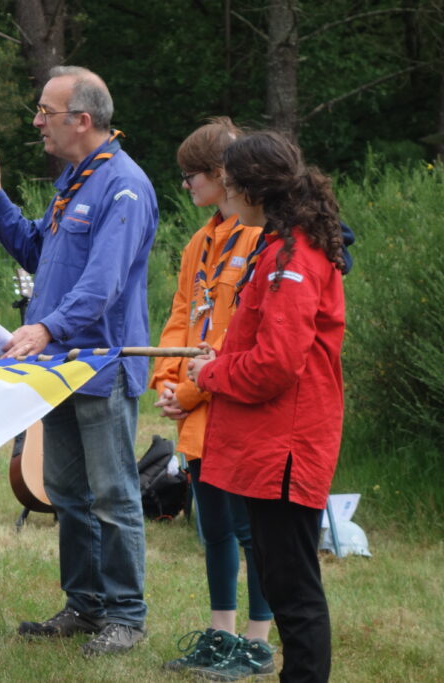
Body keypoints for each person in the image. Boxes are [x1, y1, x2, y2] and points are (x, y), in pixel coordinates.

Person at [0, 65, 157, 656]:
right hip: (58, 368)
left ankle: (125, 615)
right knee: (65, 492)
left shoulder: (124, 186)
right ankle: (84, 606)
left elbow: (102, 285)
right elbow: (35, 249)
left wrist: (44, 326)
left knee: (113, 494)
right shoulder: (74, 180)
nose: (36, 123)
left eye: (45, 113)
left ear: (82, 119)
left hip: (99, 365)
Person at [187, 130, 346, 682]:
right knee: (283, 584)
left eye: (228, 186)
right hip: (269, 443)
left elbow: (277, 363)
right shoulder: (278, 247)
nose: (224, 197)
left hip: (286, 446)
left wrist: (210, 373)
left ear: (254, 189)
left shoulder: (291, 256)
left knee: (294, 592)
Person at [150, 118, 275, 678]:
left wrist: (194, 389)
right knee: (214, 528)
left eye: (191, 175)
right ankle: (221, 635)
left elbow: (240, 333)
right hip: (196, 411)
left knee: (252, 532)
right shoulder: (199, 242)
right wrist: (167, 382)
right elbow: (183, 314)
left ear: (223, 176)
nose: (185, 185)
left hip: (233, 407)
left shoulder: (257, 239)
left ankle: (257, 640)